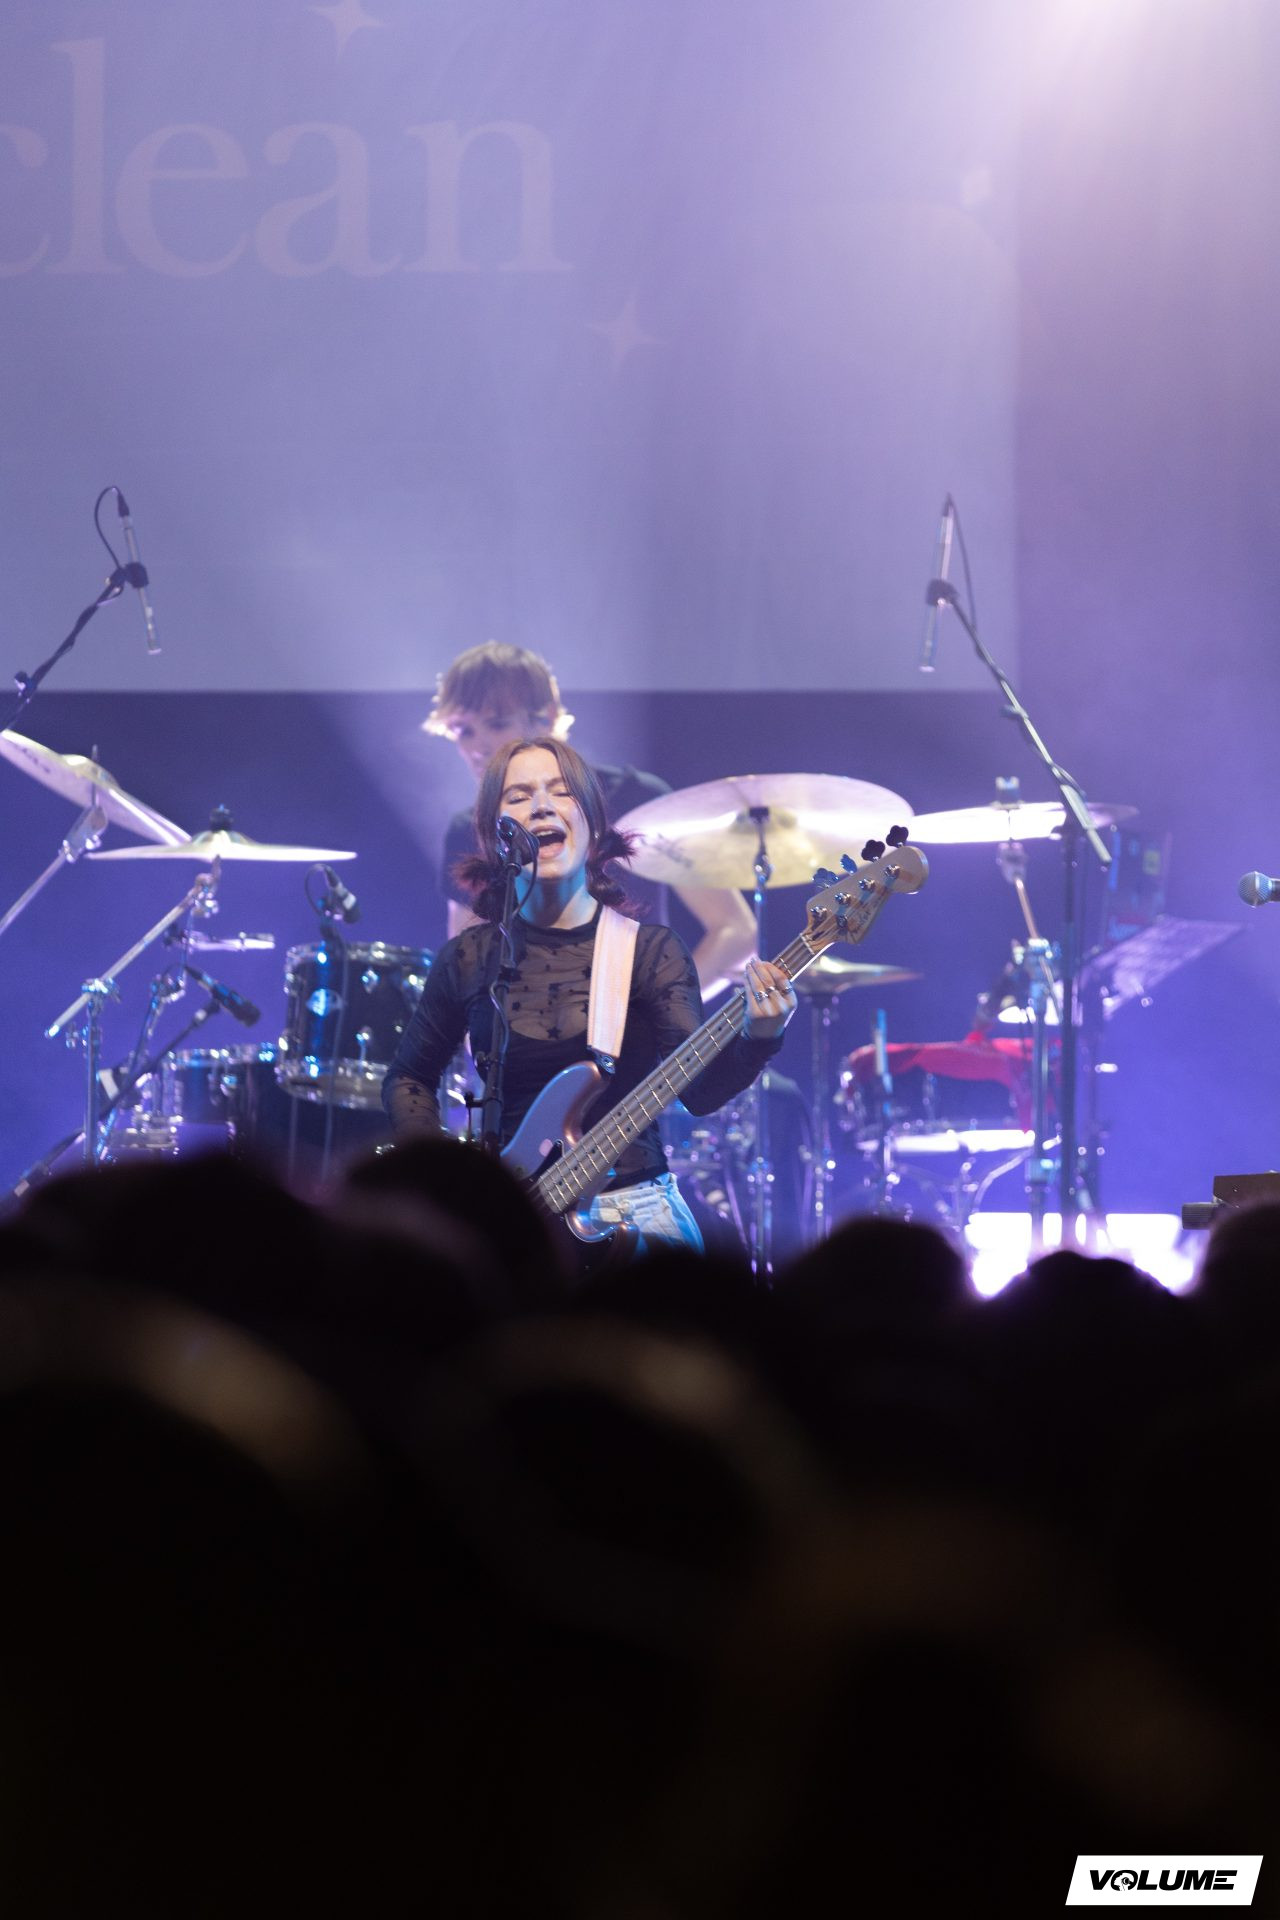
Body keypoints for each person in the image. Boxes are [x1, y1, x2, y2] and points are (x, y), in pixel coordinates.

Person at [383, 738, 797, 1255]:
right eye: (518, 796)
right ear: (494, 835)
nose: (541, 806)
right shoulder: (469, 957)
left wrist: (760, 1037)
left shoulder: (649, 952)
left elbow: (699, 1094)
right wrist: (444, 1176)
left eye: (561, 792)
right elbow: (409, 1077)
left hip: (632, 1213)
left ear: (594, 825)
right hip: (513, 1227)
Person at [423, 642, 757, 998]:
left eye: (496, 723)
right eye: (463, 731)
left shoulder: (638, 797)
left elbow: (736, 930)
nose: (478, 747)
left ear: (546, 716)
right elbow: (468, 966)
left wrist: (662, 1008)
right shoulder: (467, 829)